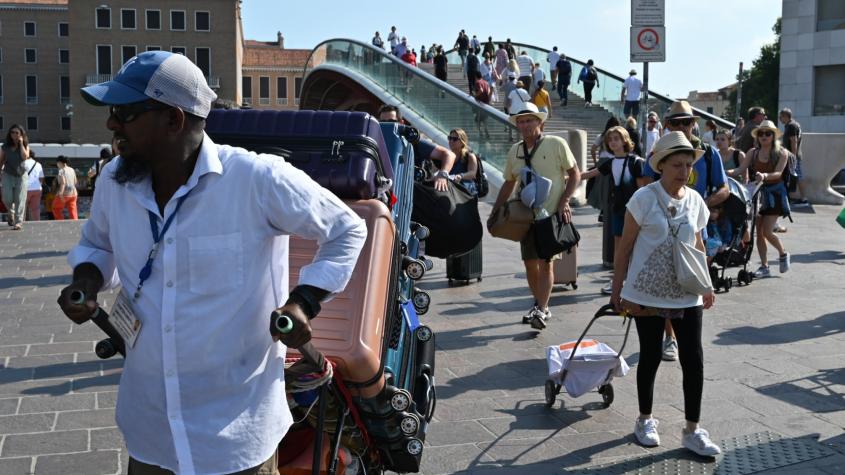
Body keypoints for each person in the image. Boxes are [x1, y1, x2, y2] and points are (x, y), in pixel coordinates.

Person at [57, 51, 368, 474]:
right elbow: (98, 244)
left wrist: (304, 301)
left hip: (235, 437)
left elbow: (347, 229)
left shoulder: (256, 180)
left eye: (124, 113)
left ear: (173, 119)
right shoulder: (115, 181)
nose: (112, 124)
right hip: (150, 430)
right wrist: (88, 281)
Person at [610, 131, 721, 458]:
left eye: (688, 165)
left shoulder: (695, 200)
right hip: (647, 292)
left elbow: (698, 245)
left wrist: (708, 284)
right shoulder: (643, 198)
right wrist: (618, 290)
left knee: (694, 359)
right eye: (677, 164)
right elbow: (625, 248)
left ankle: (692, 429)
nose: (683, 171)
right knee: (650, 355)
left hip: (686, 291)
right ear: (661, 165)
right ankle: (645, 419)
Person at [640, 100, 729, 362]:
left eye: (687, 122)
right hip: (664, 228)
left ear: (694, 124)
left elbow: (723, 188)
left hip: (695, 226)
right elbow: (646, 184)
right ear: (666, 125)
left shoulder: (708, 153)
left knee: (692, 281)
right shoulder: (659, 152)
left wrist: (705, 204)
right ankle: (670, 337)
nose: (682, 126)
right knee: (671, 280)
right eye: (676, 122)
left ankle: (685, 333)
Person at [489, 103, 581, 330]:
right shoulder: (516, 150)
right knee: (530, 263)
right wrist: (496, 209)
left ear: (540, 122)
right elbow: (509, 182)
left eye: (529, 120)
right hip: (526, 215)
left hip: (550, 215)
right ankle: (541, 305)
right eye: (521, 121)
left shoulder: (556, 144)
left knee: (546, 263)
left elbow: (574, 173)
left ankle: (541, 308)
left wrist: (565, 201)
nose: (525, 125)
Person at [580, 126, 647, 294]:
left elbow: (642, 188)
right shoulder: (610, 162)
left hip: (634, 211)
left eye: (616, 138)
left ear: (625, 140)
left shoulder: (636, 161)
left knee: (636, 244)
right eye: (610, 140)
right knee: (619, 246)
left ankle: (633, 278)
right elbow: (592, 173)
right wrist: (570, 176)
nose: (612, 142)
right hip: (618, 209)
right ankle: (618, 280)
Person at [731, 120, 792, 278]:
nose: (764, 136)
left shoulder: (782, 152)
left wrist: (764, 176)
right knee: (759, 232)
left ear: (773, 136)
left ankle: (783, 253)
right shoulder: (753, 152)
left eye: (767, 133)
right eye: (761, 133)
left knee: (767, 231)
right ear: (757, 136)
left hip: (775, 195)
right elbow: (740, 169)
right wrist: (724, 172)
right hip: (757, 194)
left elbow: (778, 173)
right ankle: (764, 266)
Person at [378, 104, 455, 191]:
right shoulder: (375, 142)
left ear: (401, 123)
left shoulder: (413, 142)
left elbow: (449, 154)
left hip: (411, 192)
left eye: (392, 122)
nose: (388, 126)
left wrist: (442, 174)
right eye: (383, 122)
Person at [0, 124, 31, 230]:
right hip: (7, 174)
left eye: (17, 133)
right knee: (6, 198)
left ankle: (18, 222)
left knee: (20, 199)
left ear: (21, 134)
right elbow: (1, 160)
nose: (14, 134)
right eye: (12, 132)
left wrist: (21, 143)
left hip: (21, 175)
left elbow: (25, 157)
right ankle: (11, 212)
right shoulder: (5, 146)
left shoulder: (25, 144)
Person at [780, 107, 809, 207]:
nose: (780, 119)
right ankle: (792, 197)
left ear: (786, 116)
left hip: (792, 156)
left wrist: (793, 156)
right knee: (794, 177)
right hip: (792, 156)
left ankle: (804, 199)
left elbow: (794, 141)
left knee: (798, 177)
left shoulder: (791, 126)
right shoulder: (792, 125)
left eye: (781, 117)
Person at [446, 129, 479, 195]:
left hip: (466, 191)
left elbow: (472, 174)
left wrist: (460, 176)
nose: (451, 141)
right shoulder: (447, 155)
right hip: (451, 188)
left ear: (462, 142)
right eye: (450, 138)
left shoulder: (469, 156)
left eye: (455, 139)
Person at [51, 156, 78, 220]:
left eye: (57, 163)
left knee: (56, 208)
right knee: (72, 210)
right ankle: (75, 223)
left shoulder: (61, 171)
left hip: (64, 194)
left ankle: (61, 222)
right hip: (74, 194)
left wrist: (60, 193)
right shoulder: (72, 169)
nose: (57, 165)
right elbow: (75, 181)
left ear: (60, 162)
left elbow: (63, 183)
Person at [23, 149, 44, 221]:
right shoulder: (38, 164)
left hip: (26, 188)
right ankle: (37, 222)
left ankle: (21, 221)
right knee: (35, 208)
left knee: (22, 207)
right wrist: (38, 185)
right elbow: (41, 178)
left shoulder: (23, 163)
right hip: (37, 189)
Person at [472, 71, 493, 139]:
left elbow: (480, 90)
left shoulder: (478, 82)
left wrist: (475, 95)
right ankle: (486, 131)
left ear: (475, 76)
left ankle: (480, 133)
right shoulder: (486, 82)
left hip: (480, 104)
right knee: (484, 119)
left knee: (477, 120)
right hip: (486, 104)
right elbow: (489, 92)